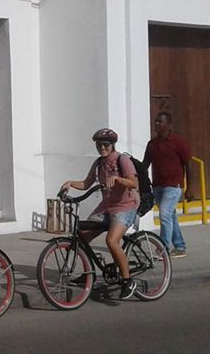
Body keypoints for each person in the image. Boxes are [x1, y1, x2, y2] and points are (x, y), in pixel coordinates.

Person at [60, 128, 140, 300]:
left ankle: (128, 280)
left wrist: (118, 179)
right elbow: (87, 183)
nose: (102, 147)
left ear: (112, 145)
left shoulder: (122, 160)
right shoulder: (98, 163)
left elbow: (133, 183)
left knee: (111, 240)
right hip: (106, 206)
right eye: (98, 144)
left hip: (125, 206)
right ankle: (90, 273)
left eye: (105, 144)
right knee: (82, 237)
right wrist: (70, 184)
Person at [143, 111, 192, 258]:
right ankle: (180, 246)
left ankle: (162, 248)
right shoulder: (152, 144)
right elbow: (145, 164)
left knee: (164, 215)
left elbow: (188, 163)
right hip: (157, 186)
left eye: (160, 122)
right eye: (156, 121)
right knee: (170, 216)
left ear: (168, 125)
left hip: (173, 186)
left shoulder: (177, 142)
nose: (157, 124)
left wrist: (190, 187)